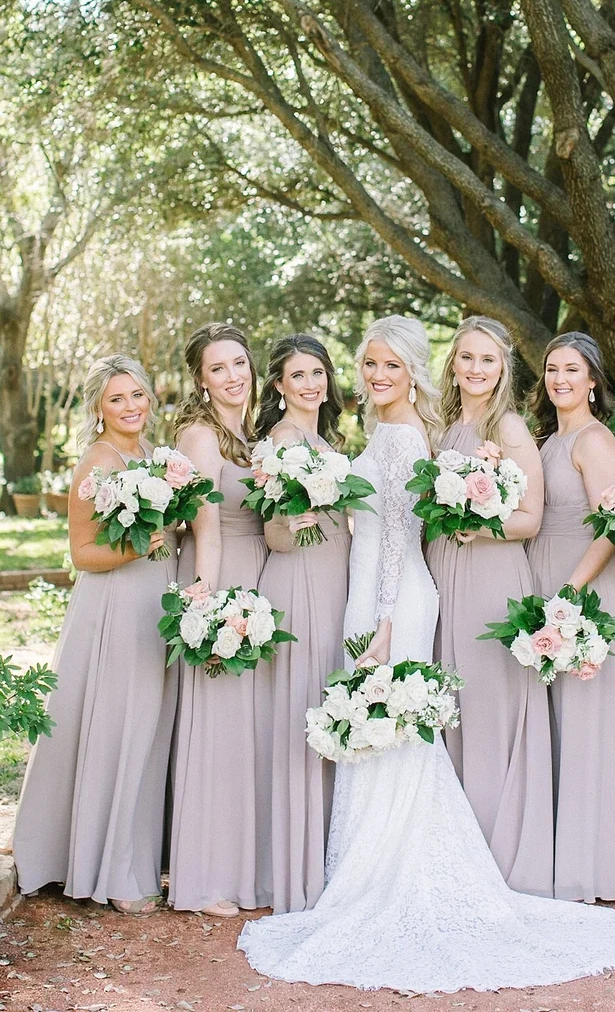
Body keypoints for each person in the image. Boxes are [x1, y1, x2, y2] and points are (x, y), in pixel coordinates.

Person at [238, 316, 615, 994]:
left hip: (394, 598)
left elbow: (402, 534)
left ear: (414, 370)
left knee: (394, 729)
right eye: (369, 364)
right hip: (376, 591)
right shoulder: (389, 430)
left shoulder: (403, 436)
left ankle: (387, 872)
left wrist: (391, 620)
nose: (376, 376)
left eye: (391, 366)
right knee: (384, 729)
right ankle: (367, 865)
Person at [13, 355, 173, 914]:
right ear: (98, 409)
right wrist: (137, 546)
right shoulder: (97, 462)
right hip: (115, 604)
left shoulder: (153, 456)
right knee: (119, 726)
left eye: (137, 396)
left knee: (146, 728)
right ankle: (108, 869)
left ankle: (132, 854)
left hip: (155, 599)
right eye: (117, 399)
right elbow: (81, 554)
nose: (131, 407)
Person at [427, 315, 552, 894]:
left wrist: (481, 526)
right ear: (453, 362)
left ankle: (500, 850)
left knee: (489, 701)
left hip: (491, 571)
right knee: (454, 698)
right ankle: (456, 846)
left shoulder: (509, 428)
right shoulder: (449, 424)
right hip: (446, 574)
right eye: (467, 358)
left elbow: (531, 518)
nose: (476, 369)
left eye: (488, 360)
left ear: (503, 367)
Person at [527, 332, 615, 902]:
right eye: (552, 369)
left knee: (586, 724)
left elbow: (612, 526)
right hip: (547, 584)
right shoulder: (548, 440)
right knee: (555, 722)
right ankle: (555, 856)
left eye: (572, 369)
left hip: (583, 586)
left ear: (594, 380)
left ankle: (591, 866)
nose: (560, 378)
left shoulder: (597, 442)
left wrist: (570, 592)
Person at [167, 323, 266, 917]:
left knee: (242, 731)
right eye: (218, 369)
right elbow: (203, 520)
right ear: (201, 383)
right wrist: (206, 596)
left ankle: (242, 865)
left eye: (239, 363)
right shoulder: (201, 436)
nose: (233, 377)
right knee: (217, 728)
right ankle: (206, 878)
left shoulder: (250, 436)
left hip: (256, 579)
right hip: (219, 577)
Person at [252, 334, 351, 913]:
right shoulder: (282, 442)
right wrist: (296, 521)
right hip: (301, 582)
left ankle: (322, 854)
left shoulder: (325, 439)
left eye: (318, 373)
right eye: (298, 376)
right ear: (279, 386)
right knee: (301, 713)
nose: (311, 384)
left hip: (333, 579)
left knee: (323, 706)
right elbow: (271, 534)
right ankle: (292, 866)